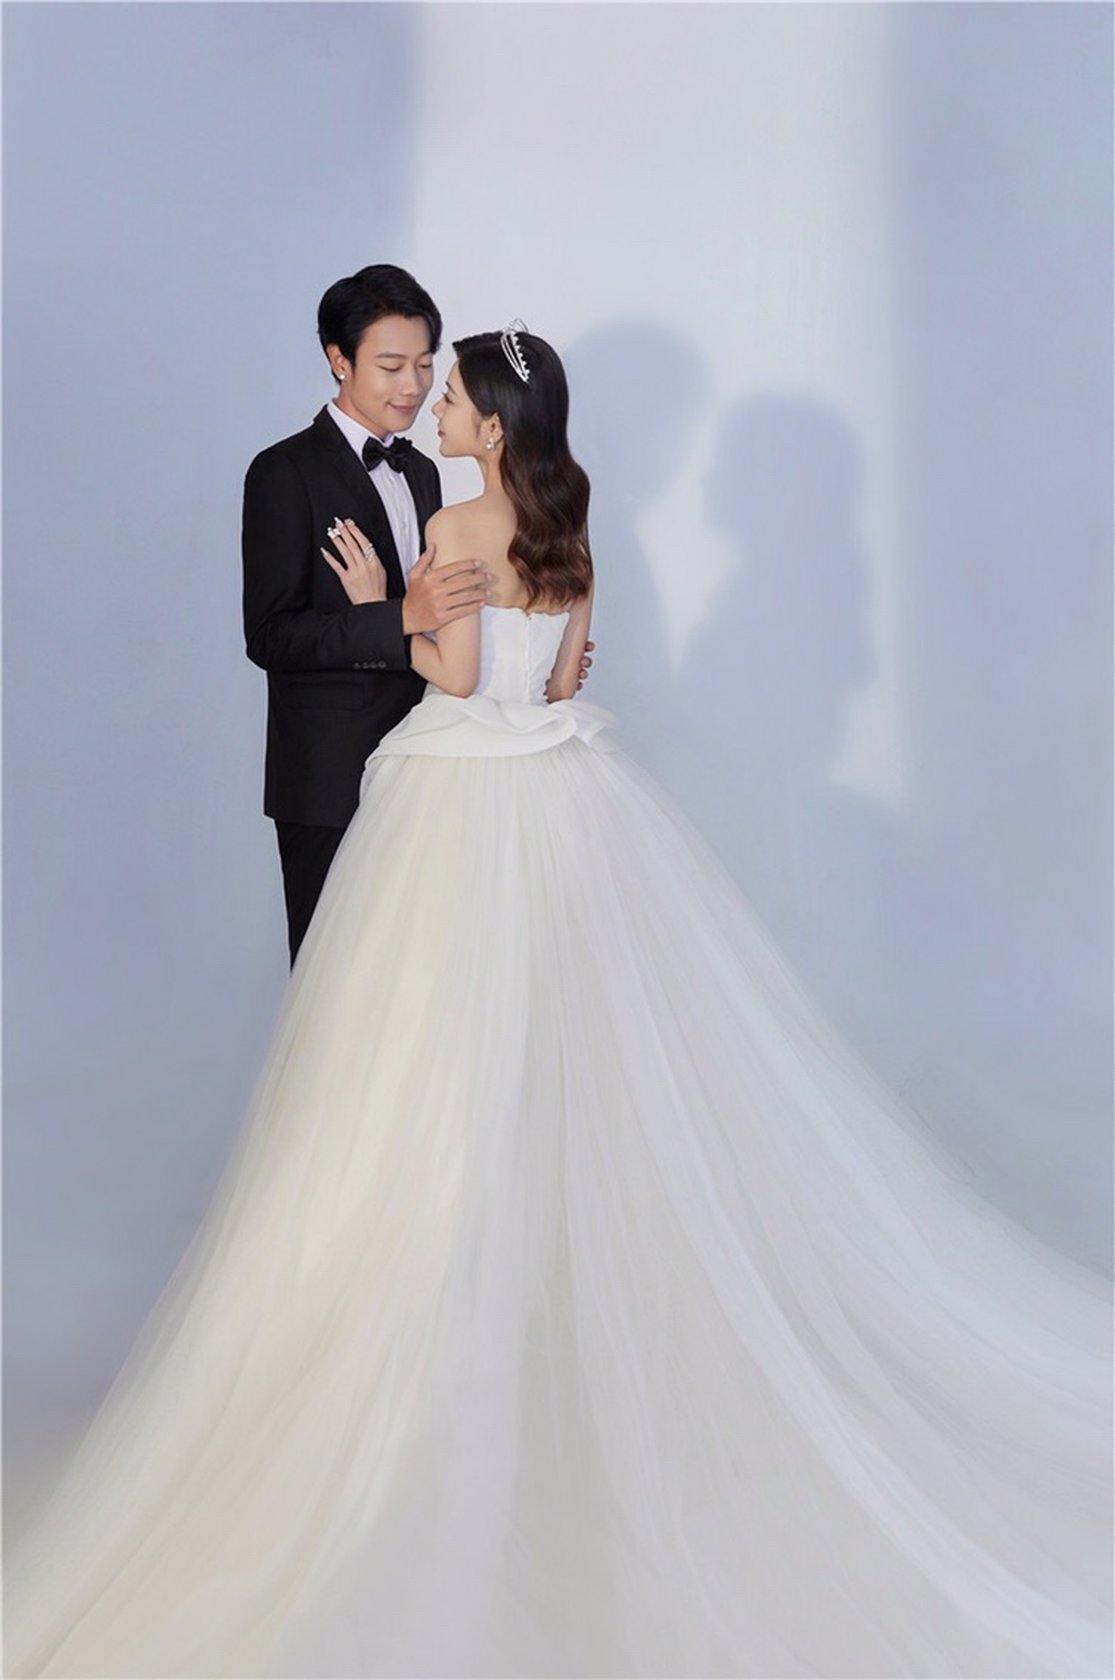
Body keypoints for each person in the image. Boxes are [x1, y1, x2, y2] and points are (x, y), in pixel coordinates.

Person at [6, 326, 1111, 1679]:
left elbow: (458, 681)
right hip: (570, 800)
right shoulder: (569, 527)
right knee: (569, 1057)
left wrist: (397, 599)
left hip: (459, 807)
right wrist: (494, 638)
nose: (437, 406)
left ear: (489, 426)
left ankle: (434, 1328)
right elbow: (573, 672)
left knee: (420, 1072)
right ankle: (542, 1322)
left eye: (453, 395)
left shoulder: (456, 525)